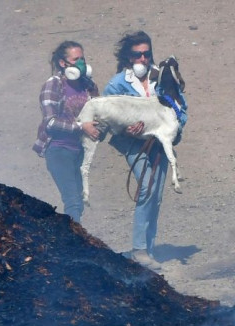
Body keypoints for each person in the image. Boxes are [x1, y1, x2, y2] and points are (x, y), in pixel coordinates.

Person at [103, 31, 188, 269]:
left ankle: (148, 250)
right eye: (137, 55)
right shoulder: (116, 84)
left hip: (160, 143)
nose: (143, 59)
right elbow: (108, 116)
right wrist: (127, 128)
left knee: (157, 196)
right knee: (146, 190)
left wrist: (175, 128)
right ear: (129, 57)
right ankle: (139, 250)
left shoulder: (161, 78)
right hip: (134, 145)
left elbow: (180, 106)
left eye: (146, 54)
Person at [32, 41, 101, 223]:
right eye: (76, 59)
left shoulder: (88, 86)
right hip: (58, 150)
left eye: (83, 59)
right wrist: (81, 127)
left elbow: (98, 113)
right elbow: (51, 122)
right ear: (63, 63)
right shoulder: (53, 85)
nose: (82, 64)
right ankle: (75, 246)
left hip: (80, 151)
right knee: (72, 201)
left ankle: (75, 239)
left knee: (78, 200)